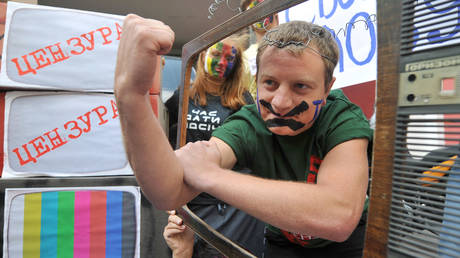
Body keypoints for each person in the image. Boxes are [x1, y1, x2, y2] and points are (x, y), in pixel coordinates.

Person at [114, 15, 373, 257]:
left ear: (328, 88)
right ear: (257, 79)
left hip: (345, 245)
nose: (281, 102)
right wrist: (131, 95)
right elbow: (167, 192)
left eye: (300, 86)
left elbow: (337, 217)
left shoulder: (342, 118)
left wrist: (211, 176)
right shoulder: (249, 123)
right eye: (270, 83)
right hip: (282, 240)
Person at [163, 36, 265, 257]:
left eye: (229, 58)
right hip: (193, 202)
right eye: (217, 54)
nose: (221, 62)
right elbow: (167, 145)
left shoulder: (242, 101)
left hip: (233, 207)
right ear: (202, 57)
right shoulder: (183, 96)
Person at [240, 0, 279, 100]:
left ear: (276, 13)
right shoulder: (242, 59)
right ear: (248, 21)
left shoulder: (296, 47)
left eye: (263, 7)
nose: (260, 14)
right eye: (254, 11)